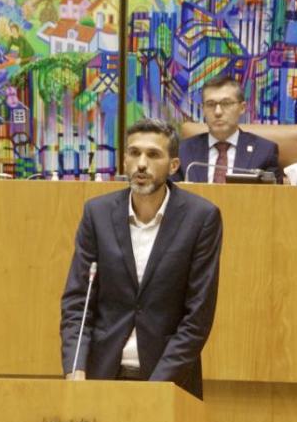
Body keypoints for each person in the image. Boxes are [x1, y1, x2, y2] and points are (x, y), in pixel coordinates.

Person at [60, 118, 223, 399]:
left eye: (153, 154)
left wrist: (155, 390)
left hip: (168, 381)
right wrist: (75, 368)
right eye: (134, 153)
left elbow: (197, 317)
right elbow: (78, 302)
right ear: (125, 160)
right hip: (101, 374)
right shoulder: (97, 214)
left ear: (173, 165)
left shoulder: (201, 218)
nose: (142, 164)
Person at [174, 74, 281, 183]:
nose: (218, 112)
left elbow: (273, 193)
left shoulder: (264, 151)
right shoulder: (183, 151)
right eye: (210, 104)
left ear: (242, 108)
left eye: (226, 103)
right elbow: (171, 191)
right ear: (203, 109)